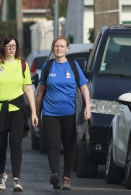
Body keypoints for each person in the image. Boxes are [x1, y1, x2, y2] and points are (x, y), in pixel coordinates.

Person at [0, 34, 39, 192]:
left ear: (17, 47)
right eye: (8, 46)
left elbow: (28, 89)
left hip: (17, 110)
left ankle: (16, 180)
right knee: (0, 146)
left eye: (14, 45)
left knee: (15, 144)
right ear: (2, 47)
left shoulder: (22, 65)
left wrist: (33, 112)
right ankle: (1, 175)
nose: (11, 48)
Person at [36, 36, 91, 190]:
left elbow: (84, 87)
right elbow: (40, 92)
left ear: (67, 48)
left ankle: (66, 178)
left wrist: (88, 106)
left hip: (70, 113)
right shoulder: (48, 66)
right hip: (50, 113)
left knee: (69, 145)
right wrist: (36, 113)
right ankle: (55, 175)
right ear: (53, 49)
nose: (59, 49)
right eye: (56, 46)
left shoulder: (73, 66)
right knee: (53, 144)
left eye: (62, 46)